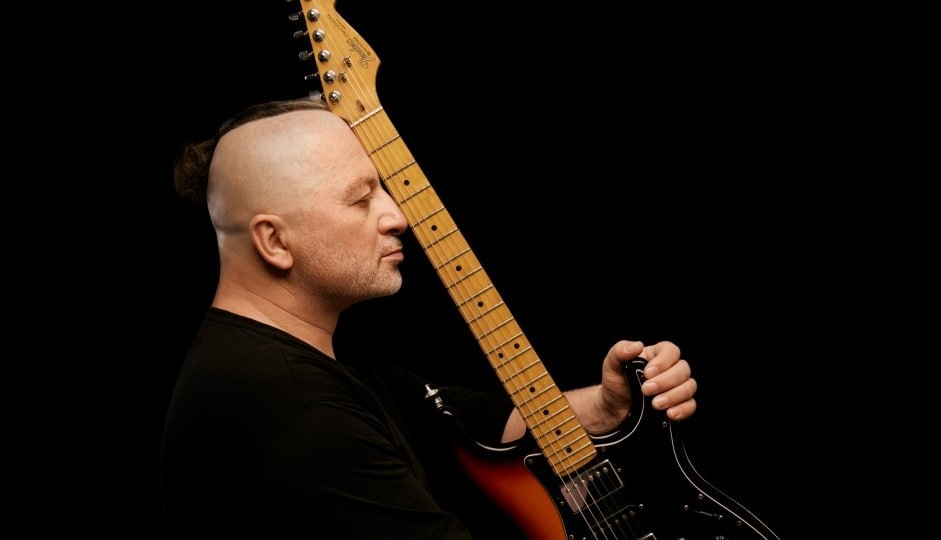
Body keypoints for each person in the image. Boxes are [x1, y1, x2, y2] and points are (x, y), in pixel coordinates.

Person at [159, 97, 698, 539]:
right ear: (275, 241)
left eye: (384, 190)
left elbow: (464, 422)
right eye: (361, 199)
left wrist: (606, 406)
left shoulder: (313, 347)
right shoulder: (292, 409)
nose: (397, 216)